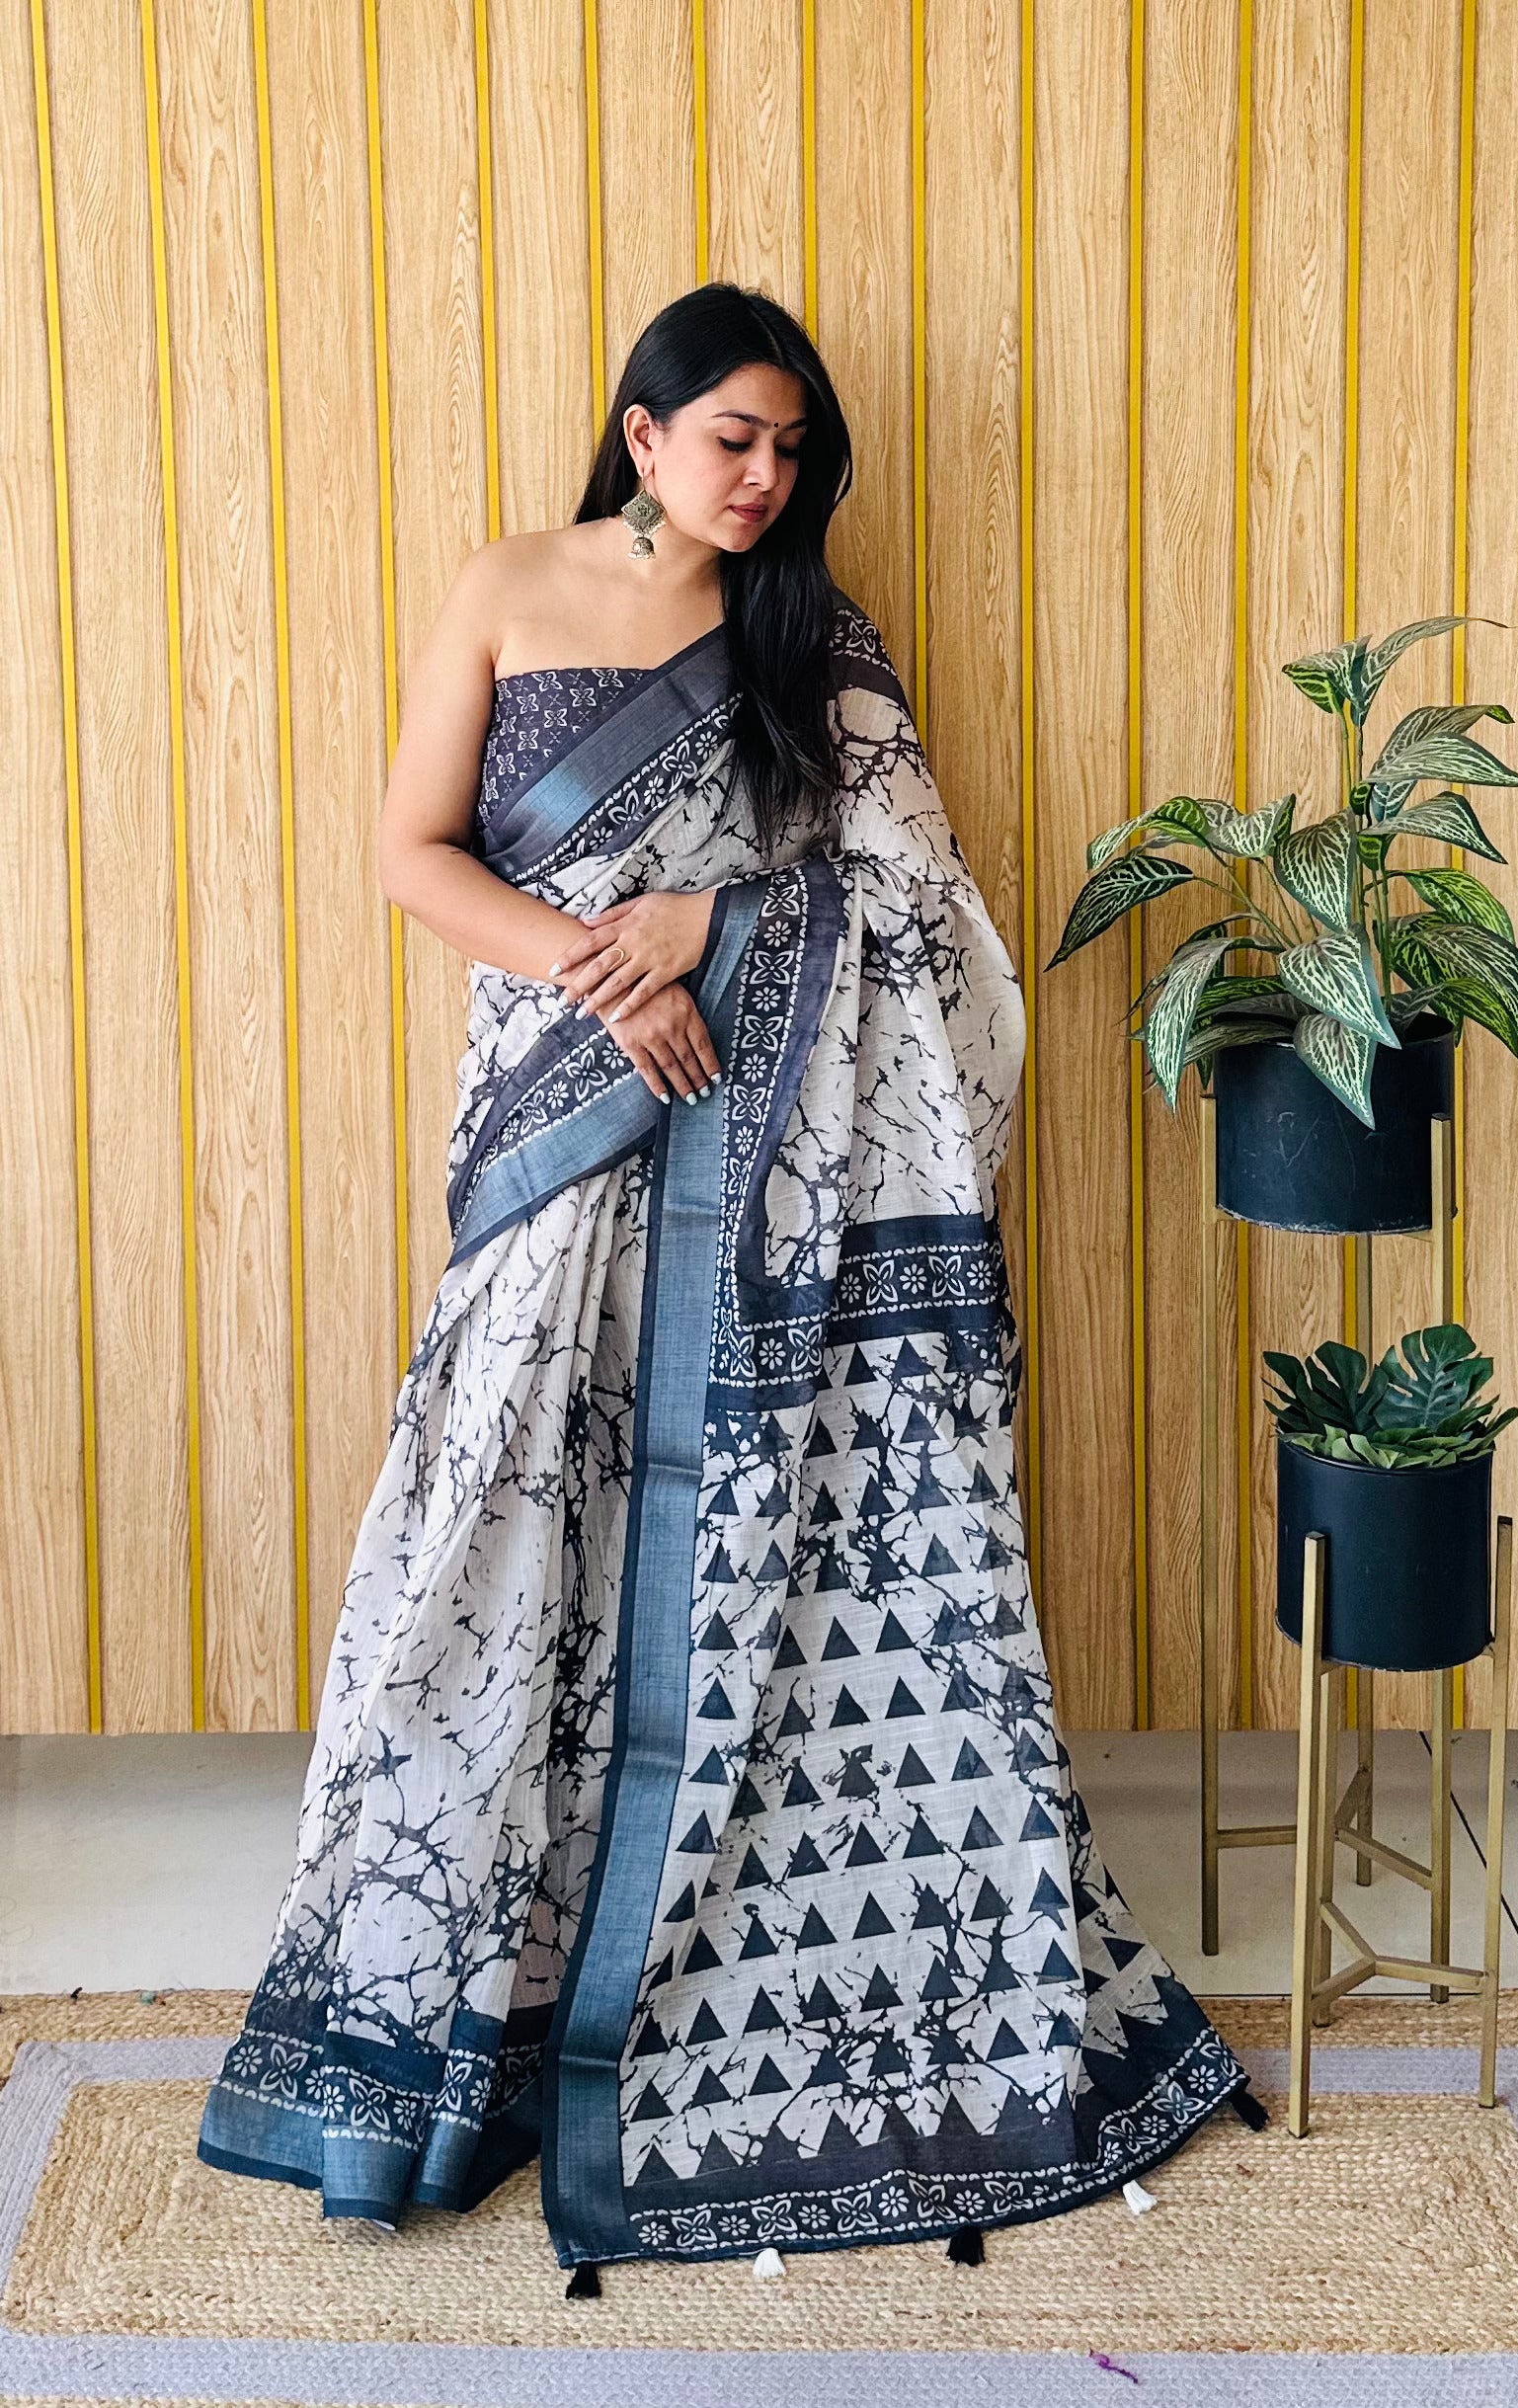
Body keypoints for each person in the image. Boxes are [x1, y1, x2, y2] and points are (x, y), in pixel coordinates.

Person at [196, 280, 1258, 2283]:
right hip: (555, 1142)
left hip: (769, 1174)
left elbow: (926, 907)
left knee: (737, 1550)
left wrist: (716, 922)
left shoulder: (811, 643)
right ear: (644, 430)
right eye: (733, 438)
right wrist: (604, 968)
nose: (764, 477)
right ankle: (461, 2029)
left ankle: (729, 1989)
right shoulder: (506, 588)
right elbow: (413, 852)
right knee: (504, 1533)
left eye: (791, 450)